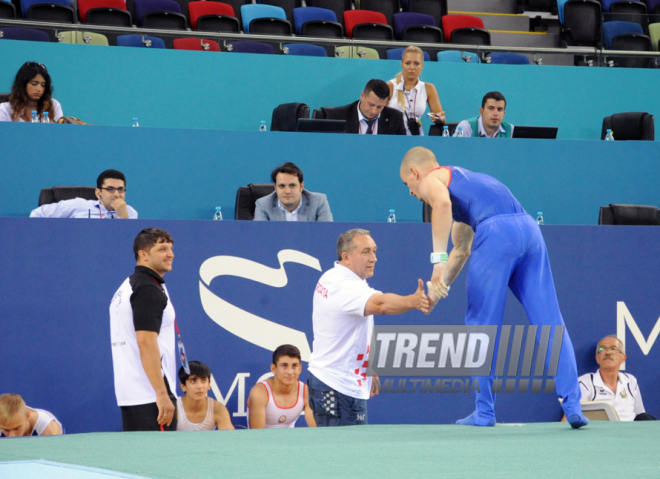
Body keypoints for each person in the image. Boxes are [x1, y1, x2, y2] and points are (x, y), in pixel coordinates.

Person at [399, 147, 588, 429]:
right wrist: (437, 291)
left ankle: (484, 412)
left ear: (415, 172)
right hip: (530, 232)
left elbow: (441, 207)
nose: (412, 192)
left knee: (481, 325)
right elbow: (461, 251)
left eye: (408, 184)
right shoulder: (467, 185)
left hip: (497, 233)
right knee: (550, 322)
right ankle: (573, 405)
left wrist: (436, 261)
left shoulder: (432, 178)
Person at [307, 229, 430, 426]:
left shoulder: (331, 276)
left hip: (329, 380)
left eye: (374, 251)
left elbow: (350, 330)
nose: (374, 258)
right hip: (338, 389)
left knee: (340, 451)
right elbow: (381, 304)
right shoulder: (346, 287)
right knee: (347, 453)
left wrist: (366, 365)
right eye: (366, 252)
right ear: (346, 257)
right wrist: (413, 301)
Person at [110, 228, 178, 432]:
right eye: (162, 249)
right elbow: (146, 342)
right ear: (144, 254)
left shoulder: (130, 285)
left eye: (171, 248)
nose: (170, 254)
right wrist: (161, 393)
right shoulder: (148, 288)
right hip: (151, 396)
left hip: (132, 392)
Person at [578, 336, 654, 421]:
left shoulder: (630, 380)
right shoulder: (585, 383)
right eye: (602, 349)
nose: (608, 353)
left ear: (623, 358)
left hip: (631, 431)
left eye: (613, 349)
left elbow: (640, 414)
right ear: (597, 358)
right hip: (601, 432)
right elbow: (574, 416)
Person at [247, 344, 316, 429]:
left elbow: (315, 430)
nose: (290, 372)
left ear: (300, 369)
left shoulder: (306, 391)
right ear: (273, 369)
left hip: (290, 441)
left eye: (294, 366)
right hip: (264, 441)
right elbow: (256, 436)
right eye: (284, 366)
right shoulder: (259, 392)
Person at [30, 169, 138, 219]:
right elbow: (38, 214)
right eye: (110, 189)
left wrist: (124, 217)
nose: (116, 194)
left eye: (120, 189)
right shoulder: (78, 205)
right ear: (98, 192)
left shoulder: (129, 213)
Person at [387, 46, 446, 136]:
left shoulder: (428, 88)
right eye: (408, 63)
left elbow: (440, 116)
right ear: (402, 64)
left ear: (422, 65)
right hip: (392, 136)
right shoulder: (390, 86)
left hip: (416, 136)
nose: (412, 67)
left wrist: (438, 118)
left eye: (416, 64)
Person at [322, 79, 406, 135]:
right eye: (371, 104)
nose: (374, 111)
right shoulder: (337, 116)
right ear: (362, 96)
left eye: (379, 107)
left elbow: (402, 149)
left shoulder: (395, 118)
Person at [254, 162, 333, 221]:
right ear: (275, 188)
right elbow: (260, 237)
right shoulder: (263, 204)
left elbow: (326, 234)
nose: (287, 191)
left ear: (301, 186)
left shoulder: (318, 202)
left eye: (292, 185)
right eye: (282, 186)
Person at [176, 361, 235, 431]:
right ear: (183, 386)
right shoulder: (174, 408)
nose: (199, 386)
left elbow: (229, 439)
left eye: (203, 380)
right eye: (193, 381)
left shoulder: (218, 409)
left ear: (209, 384)